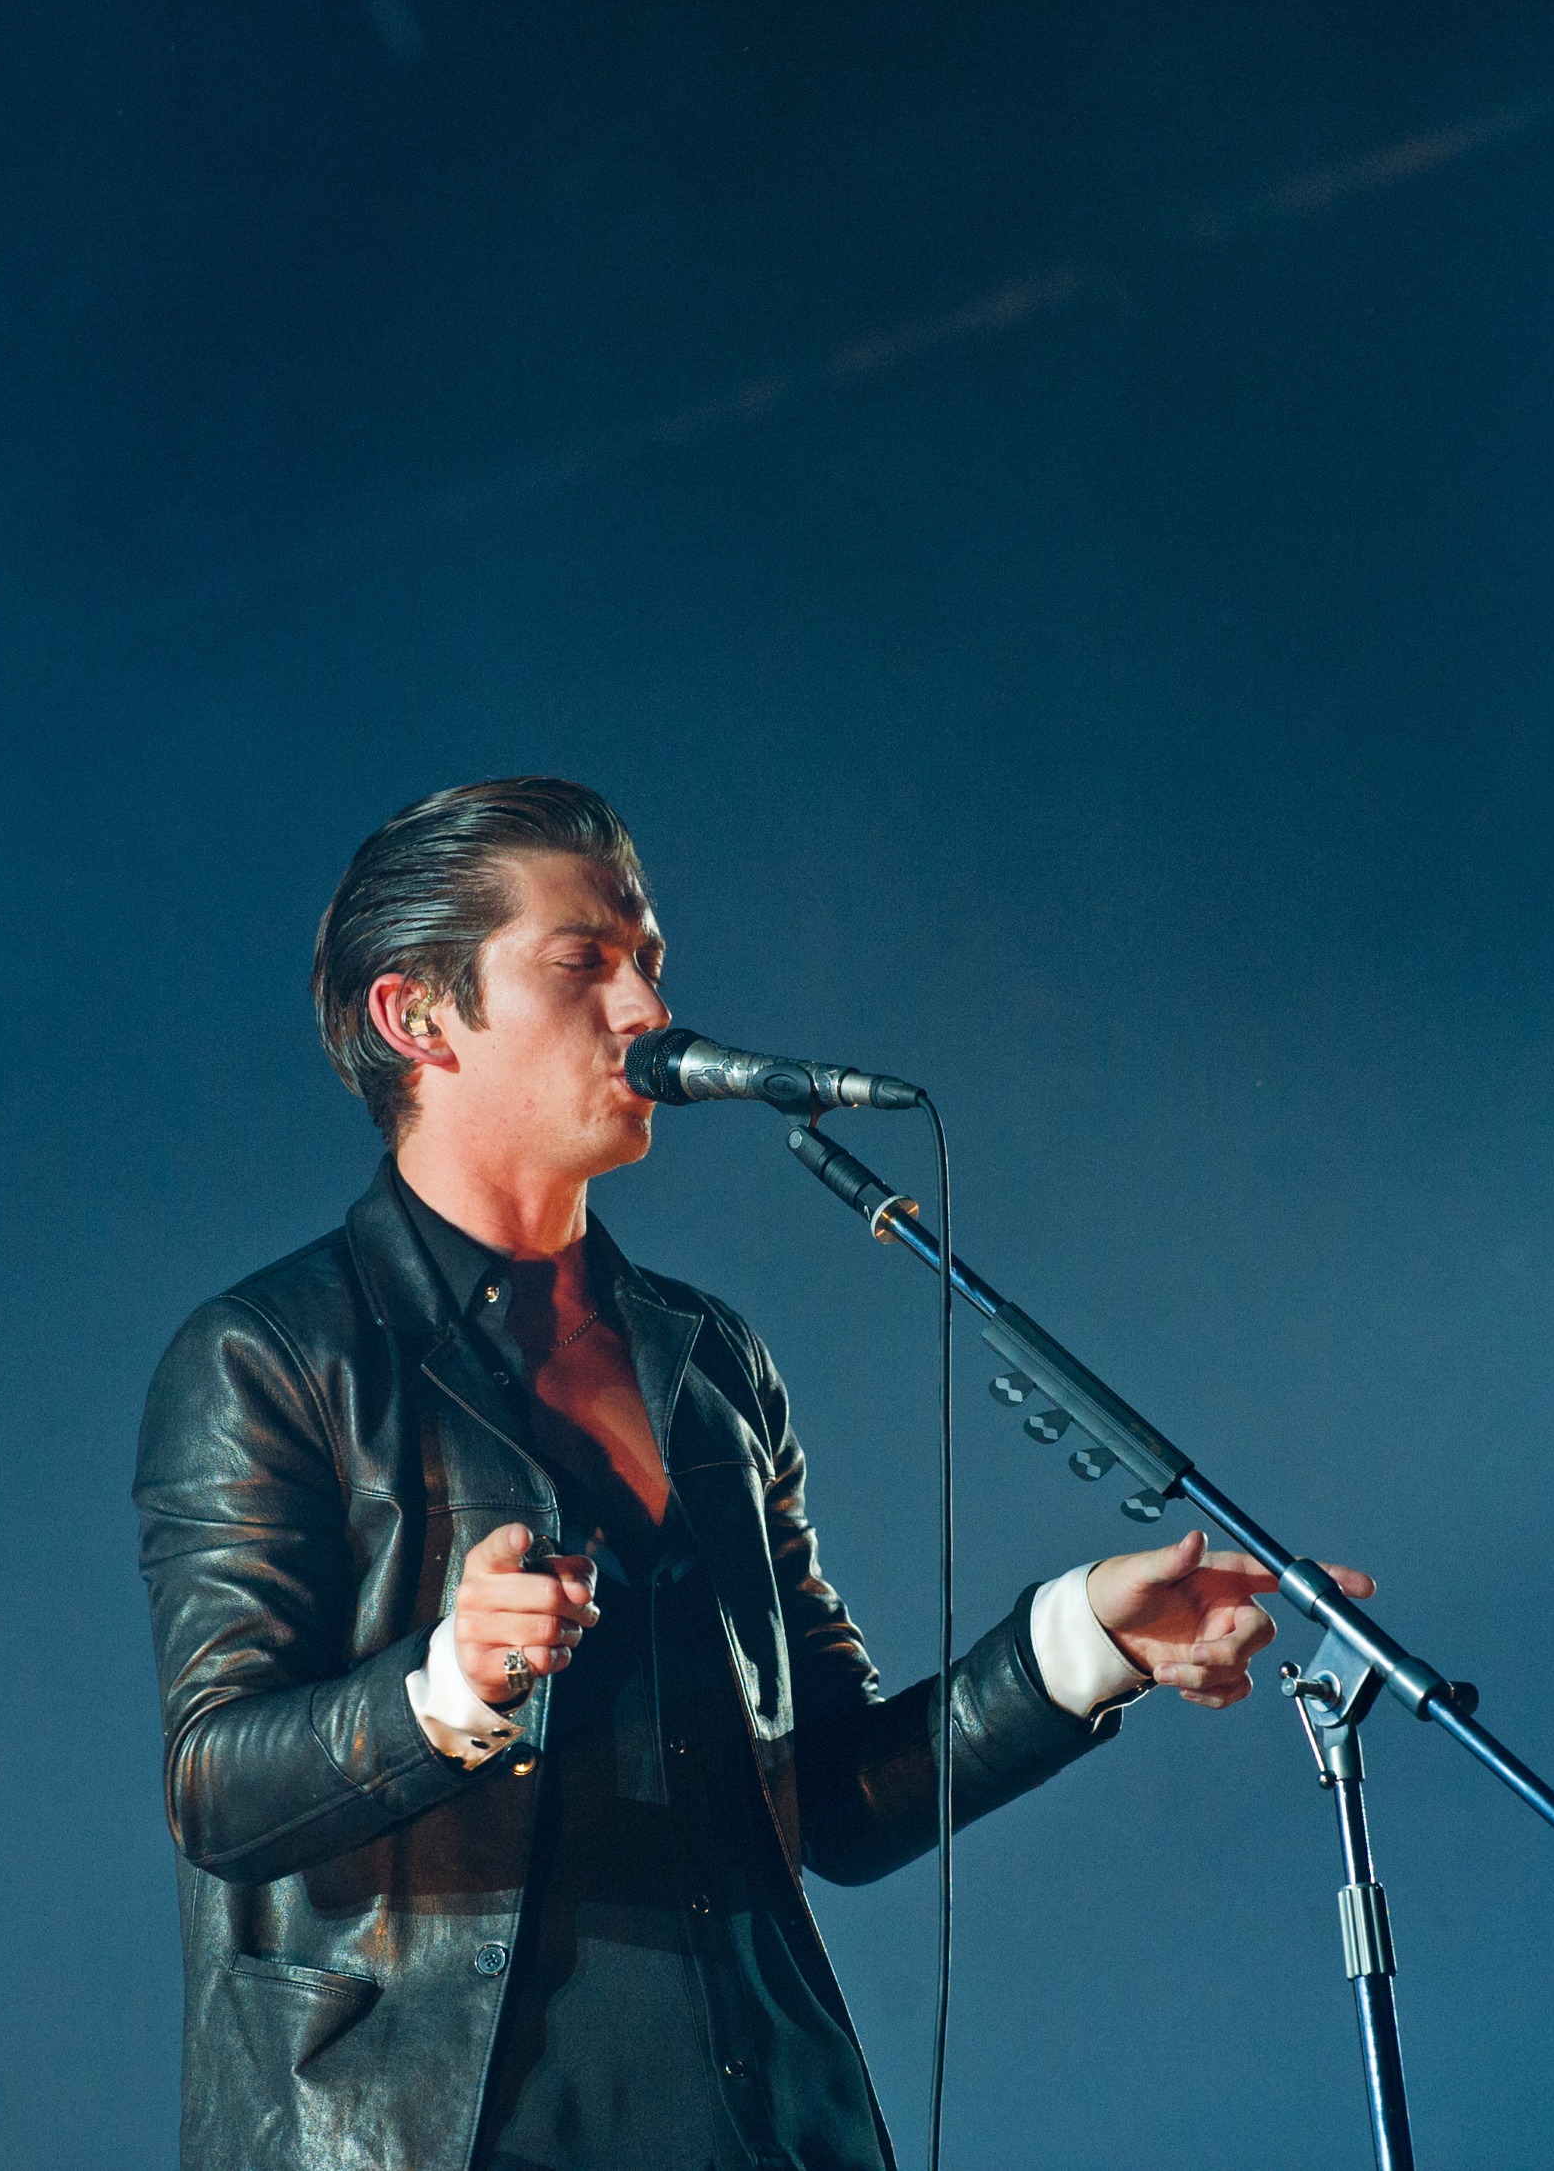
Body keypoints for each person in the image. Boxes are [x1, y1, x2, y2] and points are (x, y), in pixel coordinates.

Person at [136, 777, 1371, 2171]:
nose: (647, 1009)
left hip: (761, 2133)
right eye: (582, 965)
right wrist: (446, 1688)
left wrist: (1081, 1644)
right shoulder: (268, 1356)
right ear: (415, 1016)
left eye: (647, 961)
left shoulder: (708, 1359)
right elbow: (214, 1785)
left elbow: (832, 1798)